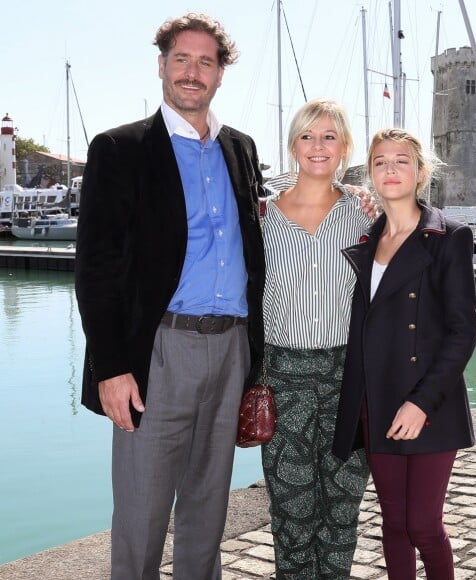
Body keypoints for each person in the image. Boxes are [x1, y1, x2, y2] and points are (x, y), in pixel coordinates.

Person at [75, 13, 265, 580]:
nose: (192, 72)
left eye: (206, 62)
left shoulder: (241, 149)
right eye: (181, 59)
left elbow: (259, 233)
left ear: (220, 75)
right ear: (161, 66)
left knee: (209, 510)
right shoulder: (120, 148)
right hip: (158, 353)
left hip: (231, 349)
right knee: (142, 515)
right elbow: (97, 267)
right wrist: (111, 368)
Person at [333, 128, 476, 580]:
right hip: (376, 403)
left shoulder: (449, 236)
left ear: (420, 172)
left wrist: (420, 403)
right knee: (394, 523)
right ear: (370, 173)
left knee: (424, 526)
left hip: (429, 405)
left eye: (401, 160)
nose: (390, 169)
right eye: (380, 161)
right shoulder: (365, 240)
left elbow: (463, 333)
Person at [260, 98, 372, 579]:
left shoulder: (365, 215)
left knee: (342, 510)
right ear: (292, 145)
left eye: (329, 136)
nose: (318, 146)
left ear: (344, 147)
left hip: (349, 376)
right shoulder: (260, 214)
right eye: (308, 135)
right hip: (281, 376)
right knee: (292, 510)